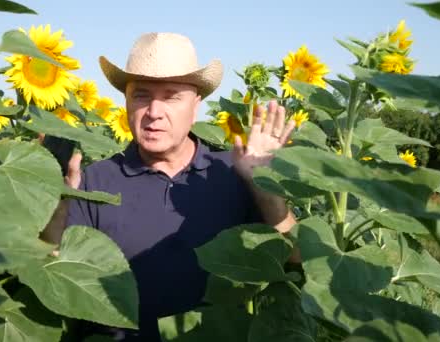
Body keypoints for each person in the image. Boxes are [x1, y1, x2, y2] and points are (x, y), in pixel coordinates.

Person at [47, 32, 298, 341]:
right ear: (126, 102)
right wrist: (57, 205)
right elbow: (57, 276)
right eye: (141, 95)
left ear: (195, 106)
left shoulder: (234, 172)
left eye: (171, 96)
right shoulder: (94, 181)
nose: (154, 112)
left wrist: (264, 188)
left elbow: (294, 260)